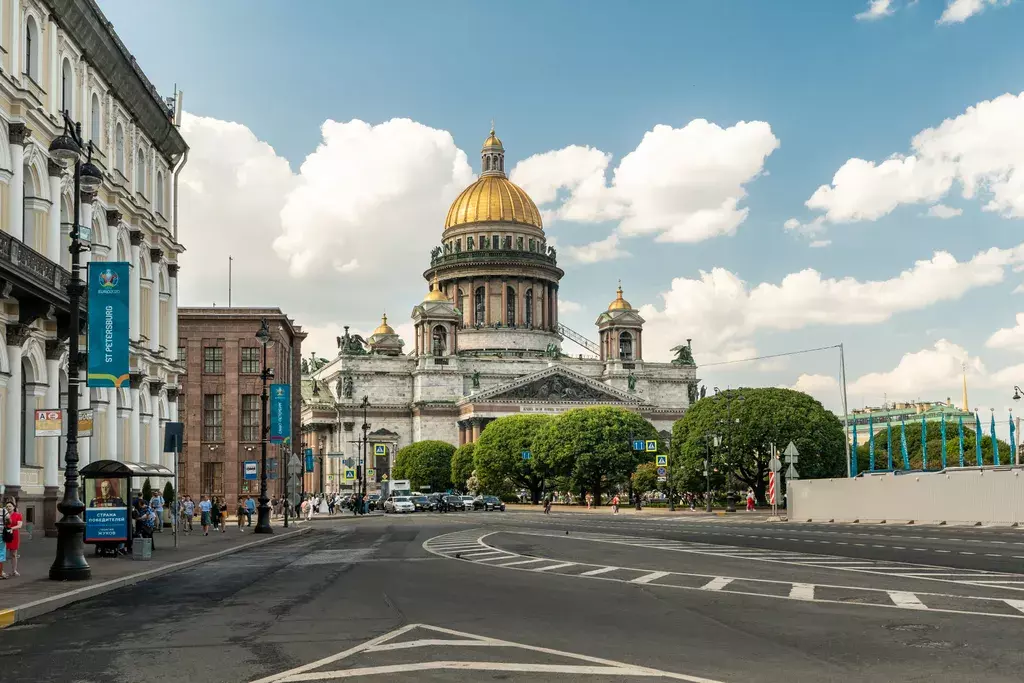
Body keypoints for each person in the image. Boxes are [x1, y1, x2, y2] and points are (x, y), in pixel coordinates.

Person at [1, 498, 22, 578]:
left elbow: (19, 525)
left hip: (14, 536)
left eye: (10, 506)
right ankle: (1, 571)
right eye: (7, 506)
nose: (8, 508)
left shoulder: (18, 515)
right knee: (2, 553)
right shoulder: (4, 514)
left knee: (13, 554)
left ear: (13, 507)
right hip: (5, 535)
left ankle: (14, 570)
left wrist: (11, 529)